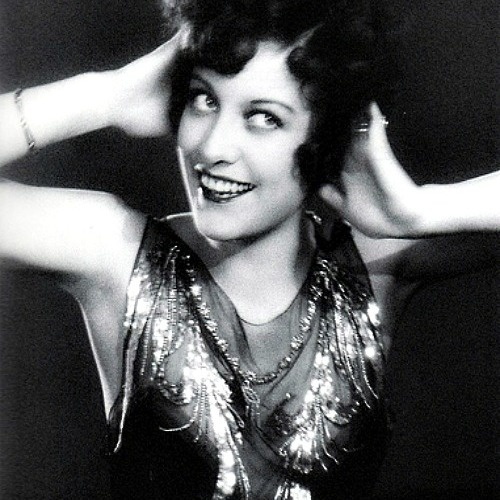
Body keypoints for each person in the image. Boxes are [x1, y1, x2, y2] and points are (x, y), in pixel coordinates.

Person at [0, 0, 498, 498]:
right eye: (203, 99)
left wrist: (418, 212)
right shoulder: (115, 253)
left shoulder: (376, 265)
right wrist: (107, 96)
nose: (213, 147)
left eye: (263, 117)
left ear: (328, 139)